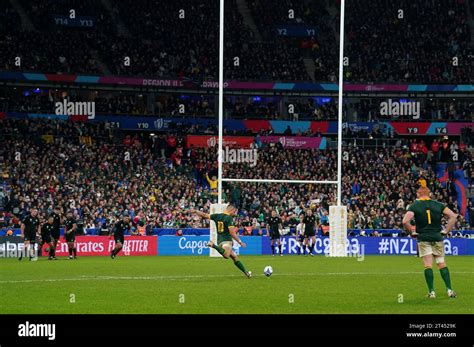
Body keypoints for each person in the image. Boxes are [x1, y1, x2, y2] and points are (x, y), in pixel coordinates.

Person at [402, 186, 458, 298]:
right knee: (441, 263)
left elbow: (405, 221)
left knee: (428, 265)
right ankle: (449, 290)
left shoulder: (415, 206)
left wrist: (411, 232)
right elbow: (453, 216)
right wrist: (446, 230)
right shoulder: (438, 205)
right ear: (429, 194)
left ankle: (432, 292)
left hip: (423, 238)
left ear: (418, 194)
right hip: (437, 237)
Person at [189, 205, 252, 278]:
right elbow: (232, 233)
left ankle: (246, 272)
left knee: (234, 257)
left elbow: (204, 215)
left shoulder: (217, 216)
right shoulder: (229, 218)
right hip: (227, 240)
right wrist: (240, 242)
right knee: (226, 255)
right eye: (234, 212)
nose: (234, 213)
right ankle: (213, 245)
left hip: (219, 240)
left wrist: (196, 211)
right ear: (231, 210)